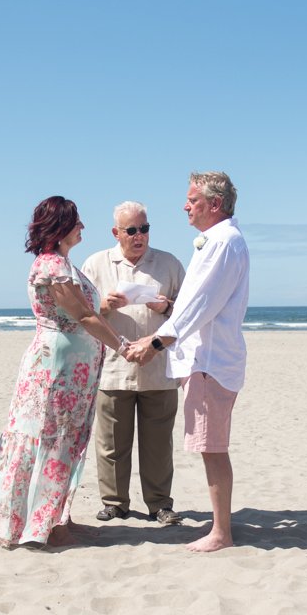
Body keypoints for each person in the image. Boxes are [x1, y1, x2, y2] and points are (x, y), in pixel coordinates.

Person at [0, 196, 128, 547]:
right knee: (51, 439)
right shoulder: (53, 266)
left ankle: (56, 517)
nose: (82, 227)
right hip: (58, 369)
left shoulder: (62, 263)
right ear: (61, 226)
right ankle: (42, 524)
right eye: (77, 221)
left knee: (67, 440)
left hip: (73, 367)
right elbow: (82, 316)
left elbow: (87, 314)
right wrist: (124, 347)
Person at [123, 172, 250, 552]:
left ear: (214, 204)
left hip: (210, 361)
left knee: (212, 448)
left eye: (192, 199)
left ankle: (221, 533)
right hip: (202, 359)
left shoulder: (225, 242)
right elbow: (193, 304)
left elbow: (201, 306)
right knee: (210, 447)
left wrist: (157, 341)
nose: (185, 205)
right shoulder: (217, 241)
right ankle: (220, 529)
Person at [80, 201, 186, 525]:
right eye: (132, 230)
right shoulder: (96, 263)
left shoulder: (168, 264)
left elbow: (189, 311)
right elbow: (79, 312)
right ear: (116, 232)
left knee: (158, 445)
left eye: (145, 228)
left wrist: (166, 305)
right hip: (113, 368)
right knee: (111, 443)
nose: (140, 236)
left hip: (158, 367)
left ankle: (159, 504)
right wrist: (102, 304)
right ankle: (115, 503)